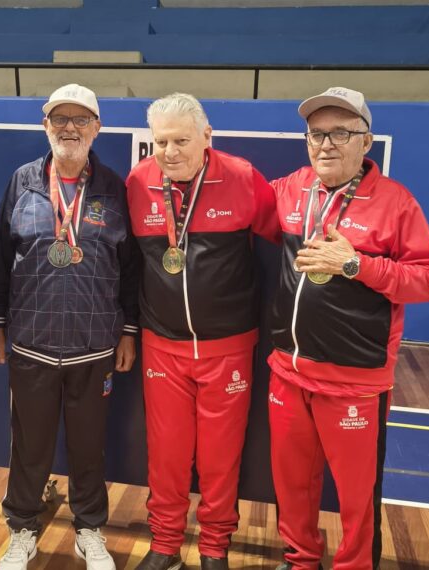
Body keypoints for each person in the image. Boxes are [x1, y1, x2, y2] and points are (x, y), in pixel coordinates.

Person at [266, 87, 429, 570]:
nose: (326, 144)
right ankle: (300, 559)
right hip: (288, 371)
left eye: (341, 133)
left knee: (355, 498)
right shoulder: (289, 189)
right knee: (291, 487)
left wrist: (357, 265)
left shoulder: (395, 204)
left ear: (366, 142)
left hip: (355, 383)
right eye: (317, 134)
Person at [0, 83, 141, 570]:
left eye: (80, 120)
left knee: (89, 449)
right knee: (29, 447)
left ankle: (89, 530)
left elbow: (132, 268)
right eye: (60, 119)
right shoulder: (21, 181)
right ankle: (22, 529)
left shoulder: (116, 188)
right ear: (45, 125)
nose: (69, 128)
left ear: (97, 129)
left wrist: (129, 330)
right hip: (30, 345)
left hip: (94, 349)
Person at [125, 93, 278, 570]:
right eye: (161, 141)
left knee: (220, 458)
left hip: (228, 348)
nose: (169, 152)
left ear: (207, 137)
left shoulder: (243, 177)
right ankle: (166, 543)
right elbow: (131, 266)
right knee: (166, 456)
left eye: (181, 140)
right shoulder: (138, 182)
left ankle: (214, 547)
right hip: (162, 347)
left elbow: (286, 241)